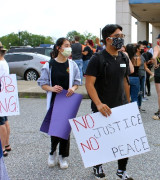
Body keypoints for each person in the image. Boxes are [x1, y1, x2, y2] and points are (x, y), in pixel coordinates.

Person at [85, 24, 133, 180]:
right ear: (108, 39)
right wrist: (98, 104)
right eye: (118, 36)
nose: (121, 39)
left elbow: (125, 79)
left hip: (121, 106)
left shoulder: (123, 57)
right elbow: (89, 84)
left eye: (122, 36)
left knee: (124, 141)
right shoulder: (97, 59)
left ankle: (121, 170)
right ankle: (97, 166)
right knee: (102, 141)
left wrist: (129, 102)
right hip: (103, 108)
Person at [37, 38, 81, 169]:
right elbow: (42, 83)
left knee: (65, 130)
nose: (69, 48)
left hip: (67, 101)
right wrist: (52, 88)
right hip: (54, 100)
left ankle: (63, 156)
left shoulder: (72, 65)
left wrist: (73, 88)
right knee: (55, 128)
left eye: (69, 46)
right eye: (66, 46)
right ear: (58, 48)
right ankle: (52, 152)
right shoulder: (49, 65)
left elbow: (77, 82)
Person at [0, 43, 11, 157]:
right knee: (4, 119)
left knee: (0, 122)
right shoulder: (3, 61)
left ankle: (2, 147)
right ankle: (7, 144)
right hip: (4, 91)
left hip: (0, 90)